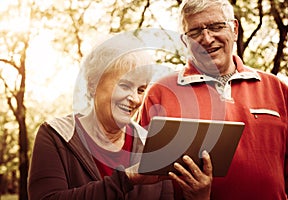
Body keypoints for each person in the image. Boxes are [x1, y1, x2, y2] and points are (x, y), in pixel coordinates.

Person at [140, 0, 288, 199]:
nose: (207, 39)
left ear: (234, 29)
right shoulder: (161, 93)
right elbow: (144, 183)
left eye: (216, 27)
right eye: (195, 32)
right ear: (185, 42)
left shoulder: (276, 88)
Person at [27, 37, 213, 200]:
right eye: (125, 85)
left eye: (141, 89)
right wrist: (126, 179)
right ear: (93, 85)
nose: (136, 99)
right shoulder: (56, 135)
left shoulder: (152, 145)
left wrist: (199, 197)